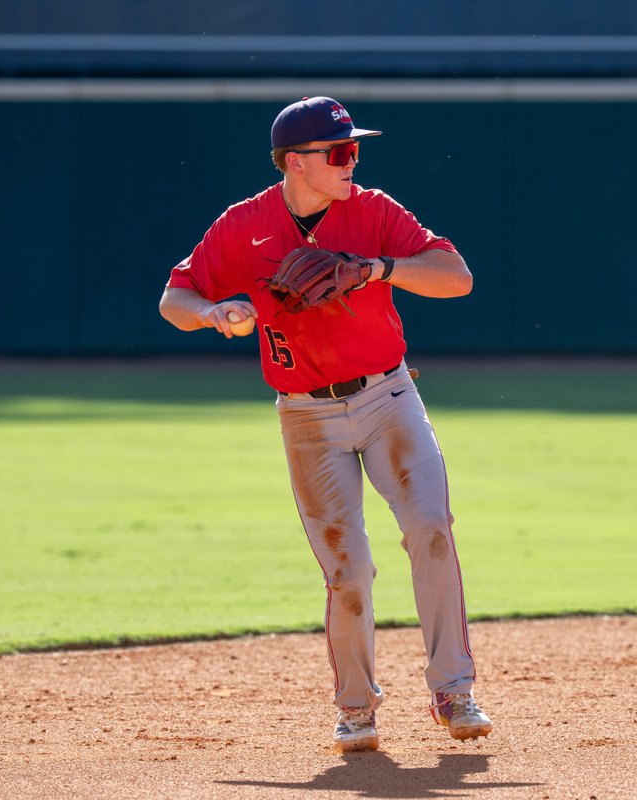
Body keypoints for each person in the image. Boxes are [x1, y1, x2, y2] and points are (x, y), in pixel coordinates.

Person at [159, 96, 491, 753]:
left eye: (354, 150)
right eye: (339, 153)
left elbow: (458, 277)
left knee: (430, 529)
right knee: (349, 570)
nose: (352, 161)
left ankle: (454, 691)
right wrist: (214, 313)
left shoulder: (372, 212)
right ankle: (358, 710)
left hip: (387, 397)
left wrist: (378, 268)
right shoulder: (243, 225)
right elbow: (175, 297)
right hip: (306, 416)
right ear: (295, 162)